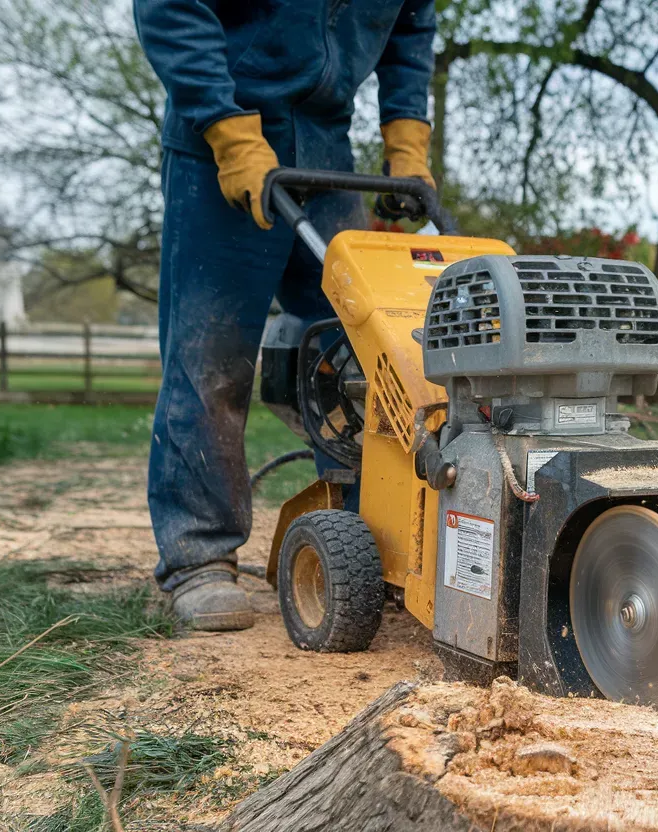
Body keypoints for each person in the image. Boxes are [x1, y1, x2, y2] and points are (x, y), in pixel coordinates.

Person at [134, 0, 436, 630]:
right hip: (221, 146)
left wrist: (407, 138)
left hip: (326, 154)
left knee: (363, 358)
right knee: (210, 359)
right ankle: (199, 557)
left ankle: (364, 539)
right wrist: (229, 131)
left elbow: (410, 26)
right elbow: (172, 9)